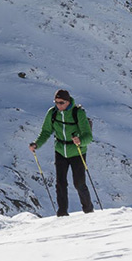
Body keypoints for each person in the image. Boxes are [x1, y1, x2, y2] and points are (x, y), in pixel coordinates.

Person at [29, 89, 93, 217]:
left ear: (68, 101)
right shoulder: (52, 113)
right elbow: (46, 131)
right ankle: (62, 213)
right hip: (60, 151)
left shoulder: (78, 113)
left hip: (77, 151)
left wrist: (80, 140)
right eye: (56, 102)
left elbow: (88, 136)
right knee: (60, 183)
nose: (58, 105)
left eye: (61, 102)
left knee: (79, 183)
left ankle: (88, 210)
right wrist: (37, 144)